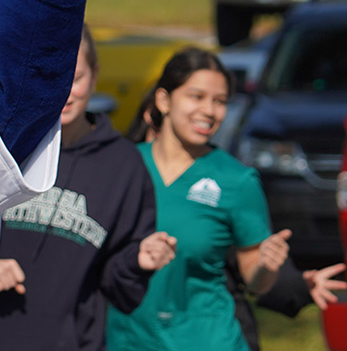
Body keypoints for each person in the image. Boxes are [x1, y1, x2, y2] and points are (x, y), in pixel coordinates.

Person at [0, 27, 177, 351]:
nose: (64, 90)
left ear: (94, 76)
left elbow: (120, 287)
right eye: (52, 76)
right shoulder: (0, 143)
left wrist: (138, 261)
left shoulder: (123, 165)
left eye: (75, 78)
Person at [107, 47, 291, 351]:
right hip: (125, 341)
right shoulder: (120, 165)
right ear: (164, 100)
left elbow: (255, 282)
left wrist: (266, 267)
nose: (210, 111)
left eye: (220, 101)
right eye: (197, 96)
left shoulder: (237, 180)